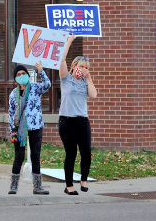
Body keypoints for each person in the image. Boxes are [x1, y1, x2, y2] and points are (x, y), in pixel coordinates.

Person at [58, 33, 97, 195]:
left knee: (86, 152)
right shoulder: (66, 78)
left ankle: (83, 179)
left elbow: (93, 95)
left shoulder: (85, 82)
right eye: (81, 66)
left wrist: (89, 78)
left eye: (87, 67)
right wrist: (69, 42)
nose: (84, 69)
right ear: (74, 66)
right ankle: (69, 186)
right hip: (67, 122)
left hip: (82, 122)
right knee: (71, 154)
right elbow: (61, 60)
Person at [8, 61, 51, 195]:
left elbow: (47, 85)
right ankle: (13, 186)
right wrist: (12, 131)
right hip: (19, 129)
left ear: (28, 75)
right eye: (19, 74)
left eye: (23, 73)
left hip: (36, 126)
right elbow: (11, 114)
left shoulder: (35, 88)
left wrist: (41, 71)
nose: (21, 76)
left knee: (35, 156)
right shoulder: (13, 94)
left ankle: (37, 187)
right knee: (19, 156)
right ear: (16, 79)